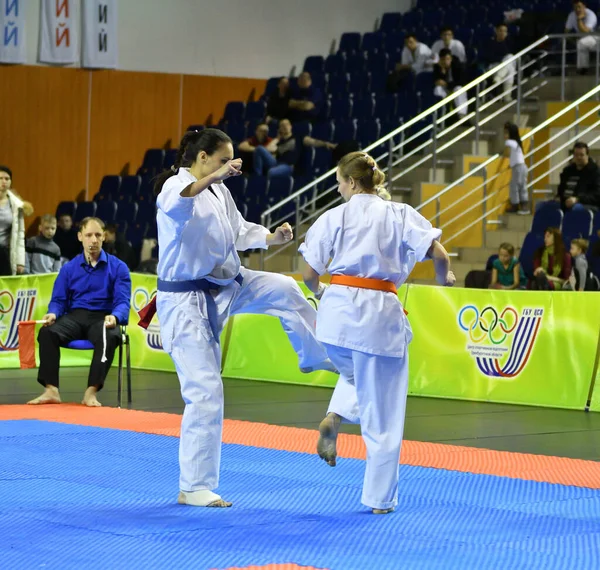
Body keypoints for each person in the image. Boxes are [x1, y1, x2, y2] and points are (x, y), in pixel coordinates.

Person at [151, 128, 334, 509]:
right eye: (223, 161)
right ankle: (194, 486)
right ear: (202, 159)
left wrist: (271, 237)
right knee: (205, 389)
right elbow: (179, 203)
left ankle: (318, 355)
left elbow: (237, 231)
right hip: (186, 302)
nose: (231, 167)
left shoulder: (220, 191)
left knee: (284, 288)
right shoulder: (175, 186)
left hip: (229, 283)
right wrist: (213, 177)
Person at [299, 152, 455, 514]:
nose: (338, 189)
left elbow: (309, 274)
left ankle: (335, 416)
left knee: (357, 373)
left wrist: (323, 293)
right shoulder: (399, 213)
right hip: (376, 317)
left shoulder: (332, 217)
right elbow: (440, 253)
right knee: (383, 412)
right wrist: (441, 277)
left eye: (339, 182)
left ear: (352, 183)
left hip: (334, 321)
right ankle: (379, 499)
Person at [27, 217, 131, 407]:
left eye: (98, 235)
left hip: (103, 317)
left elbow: (123, 302)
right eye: (89, 235)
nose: (94, 240)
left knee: (109, 336)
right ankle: (51, 390)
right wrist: (53, 313)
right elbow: (58, 300)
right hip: (75, 316)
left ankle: (91, 392)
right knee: (47, 332)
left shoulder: (119, 268)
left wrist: (115, 316)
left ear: (104, 237)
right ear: (80, 237)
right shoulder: (68, 268)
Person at [556, 142, 600, 212]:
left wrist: (577, 199)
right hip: (565, 202)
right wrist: (558, 197)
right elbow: (561, 189)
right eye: (576, 155)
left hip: (585, 204)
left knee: (575, 209)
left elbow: (597, 194)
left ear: (587, 156)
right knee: (542, 206)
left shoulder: (595, 172)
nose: (579, 157)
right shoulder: (567, 171)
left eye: (581, 155)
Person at [0, 165, 25, 276]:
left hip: (5, 254)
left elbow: (20, 234)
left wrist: (20, 262)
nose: (3, 181)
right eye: (0, 178)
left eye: (7, 178)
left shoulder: (17, 205)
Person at [481, 23, 516, 103]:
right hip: (493, 66)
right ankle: (507, 97)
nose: (502, 33)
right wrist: (501, 59)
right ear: (496, 31)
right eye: (500, 31)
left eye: (504, 31)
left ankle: (498, 78)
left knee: (510, 58)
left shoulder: (509, 42)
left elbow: (512, 55)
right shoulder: (490, 43)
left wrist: (504, 42)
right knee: (510, 67)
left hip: (504, 67)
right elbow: (489, 57)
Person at [503, 122, 530, 214]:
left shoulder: (509, 142)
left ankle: (515, 205)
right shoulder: (517, 143)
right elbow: (515, 156)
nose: (504, 135)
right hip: (523, 166)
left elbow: (507, 154)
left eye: (506, 133)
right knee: (522, 186)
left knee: (514, 186)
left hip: (517, 168)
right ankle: (524, 206)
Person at [433, 49, 468, 119]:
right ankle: (441, 112)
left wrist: (447, 84)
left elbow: (461, 82)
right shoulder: (437, 67)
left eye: (448, 59)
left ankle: (461, 114)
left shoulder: (458, 66)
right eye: (443, 59)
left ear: (451, 59)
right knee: (437, 89)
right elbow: (436, 80)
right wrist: (442, 72)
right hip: (446, 90)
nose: (446, 61)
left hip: (454, 87)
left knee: (458, 89)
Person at [565, 0, 598, 74]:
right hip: (581, 38)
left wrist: (579, 19)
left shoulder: (590, 14)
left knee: (582, 41)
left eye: (579, 7)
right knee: (581, 43)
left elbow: (585, 31)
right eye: (575, 7)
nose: (577, 9)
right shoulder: (572, 15)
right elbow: (566, 31)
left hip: (595, 38)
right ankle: (583, 69)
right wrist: (571, 38)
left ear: (584, 6)